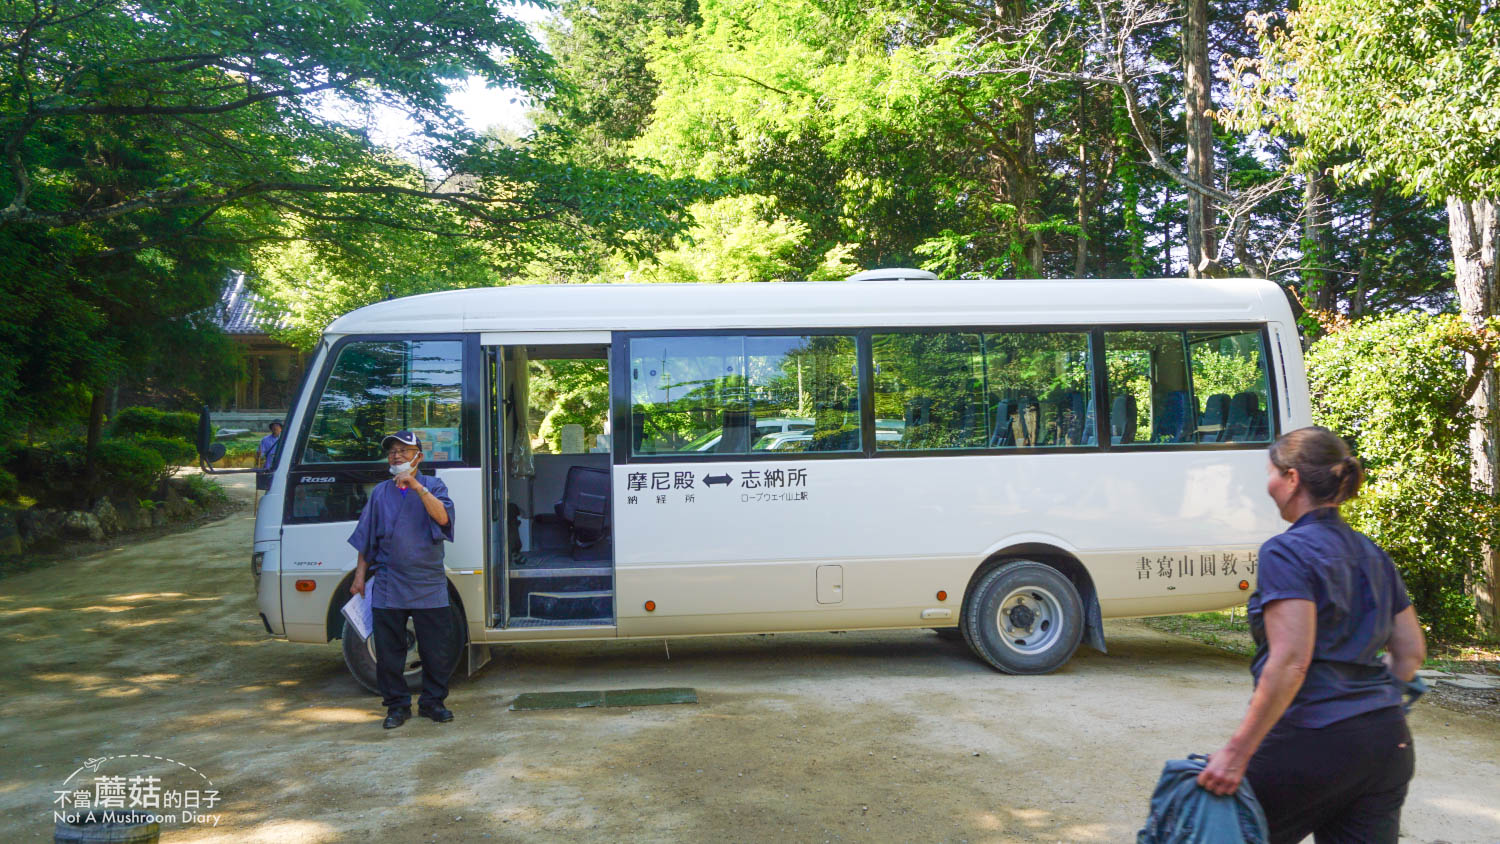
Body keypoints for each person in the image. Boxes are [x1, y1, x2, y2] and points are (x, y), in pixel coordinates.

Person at [1198, 426, 1426, 843]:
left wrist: (1236, 752)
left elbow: (1291, 661)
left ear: (1292, 478)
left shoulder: (1285, 552)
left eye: (1270, 472)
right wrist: (1371, 706)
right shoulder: (1371, 552)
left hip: (1311, 739)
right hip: (1385, 743)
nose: (1266, 484)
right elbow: (1410, 652)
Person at [347, 430, 458, 729]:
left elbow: (443, 519)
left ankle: (433, 703)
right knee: (388, 653)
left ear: (418, 457)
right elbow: (366, 540)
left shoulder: (434, 486)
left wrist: (416, 486)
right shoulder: (380, 493)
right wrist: (359, 577)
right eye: (392, 451)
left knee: (436, 650)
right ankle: (397, 706)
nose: (396, 455)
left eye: (404, 450)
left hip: (428, 582)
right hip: (388, 582)